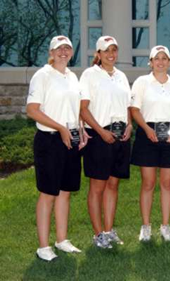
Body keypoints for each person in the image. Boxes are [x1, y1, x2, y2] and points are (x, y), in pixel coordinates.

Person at [27, 35, 86, 261]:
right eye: (58, 48)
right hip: (49, 140)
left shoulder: (72, 77)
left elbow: (74, 108)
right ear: (51, 53)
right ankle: (43, 246)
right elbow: (32, 110)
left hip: (70, 139)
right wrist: (60, 128)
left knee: (65, 191)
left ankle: (61, 240)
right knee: (48, 193)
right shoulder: (42, 76)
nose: (63, 52)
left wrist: (80, 129)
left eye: (67, 48)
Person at [80, 36, 133, 249]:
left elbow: (128, 106)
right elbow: (83, 109)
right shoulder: (89, 75)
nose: (111, 54)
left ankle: (109, 230)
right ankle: (98, 234)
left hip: (120, 136)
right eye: (106, 50)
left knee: (113, 184)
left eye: (114, 49)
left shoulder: (121, 76)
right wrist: (101, 132)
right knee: (97, 186)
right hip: (98, 135)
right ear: (98, 54)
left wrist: (129, 126)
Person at [130, 45, 170, 242]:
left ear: (169, 62)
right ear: (150, 62)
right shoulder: (142, 83)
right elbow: (135, 110)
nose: (160, 62)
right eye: (156, 58)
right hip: (148, 133)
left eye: (164, 58)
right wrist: (146, 129)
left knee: (167, 183)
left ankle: (165, 226)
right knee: (148, 183)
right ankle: (146, 226)